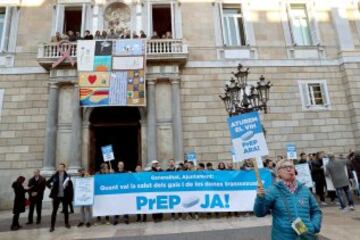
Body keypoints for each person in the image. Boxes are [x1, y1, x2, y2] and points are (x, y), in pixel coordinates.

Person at [254, 159, 322, 240]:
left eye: (291, 167)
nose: (289, 169)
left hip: (306, 236)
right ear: (278, 173)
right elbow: (259, 213)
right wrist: (260, 198)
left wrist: (314, 227)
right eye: (284, 167)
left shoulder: (304, 190)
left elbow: (316, 211)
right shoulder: (273, 190)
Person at [46, 163, 73, 232]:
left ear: (64, 168)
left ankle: (66, 223)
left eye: (61, 167)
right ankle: (52, 226)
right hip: (56, 196)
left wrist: (71, 197)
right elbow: (47, 182)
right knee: (54, 211)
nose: (60, 168)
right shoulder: (54, 176)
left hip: (65, 196)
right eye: (59, 167)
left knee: (66, 211)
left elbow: (71, 188)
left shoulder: (68, 177)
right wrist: (50, 187)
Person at [113, 161, 129, 225]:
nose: (121, 166)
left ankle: (126, 219)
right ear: (118, 166)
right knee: (117, 205)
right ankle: (116, 219)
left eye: (122, 165)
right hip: (117, 192)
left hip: (124, 192)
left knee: (125, 205)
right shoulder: (115, 173)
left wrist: (131, 174)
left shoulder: (126, 172)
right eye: (120, 165)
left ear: (123, 166)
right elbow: (112, 180)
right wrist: (110, 174)